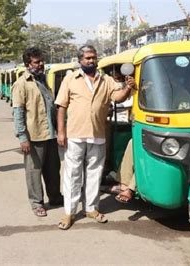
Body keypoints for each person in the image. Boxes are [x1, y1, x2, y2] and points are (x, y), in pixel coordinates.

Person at [55, 45, 135, 230]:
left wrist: (128, 88)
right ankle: (69, 212)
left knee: (94, 173)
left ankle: (91, 209)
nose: (91, 61)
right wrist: (61, 131)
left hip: (97, 134)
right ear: (80, 60)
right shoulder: (70, 79)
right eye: (87, 58)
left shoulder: (106, 80)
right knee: (73, 174)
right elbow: (61, 106)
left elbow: (119, 97)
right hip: (75, 134)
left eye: (93, 57)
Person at [12, 47, 63, 217]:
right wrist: (22, 137)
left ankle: (55, 197)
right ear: (28, 64)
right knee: (34, 172)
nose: (40, 64)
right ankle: (37, 203)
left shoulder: (42, 81)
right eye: (36, 62)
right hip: (34, 136)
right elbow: (18, 112)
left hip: (50, 134)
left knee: (53, 169)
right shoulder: (21, 84)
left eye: (42, 61)